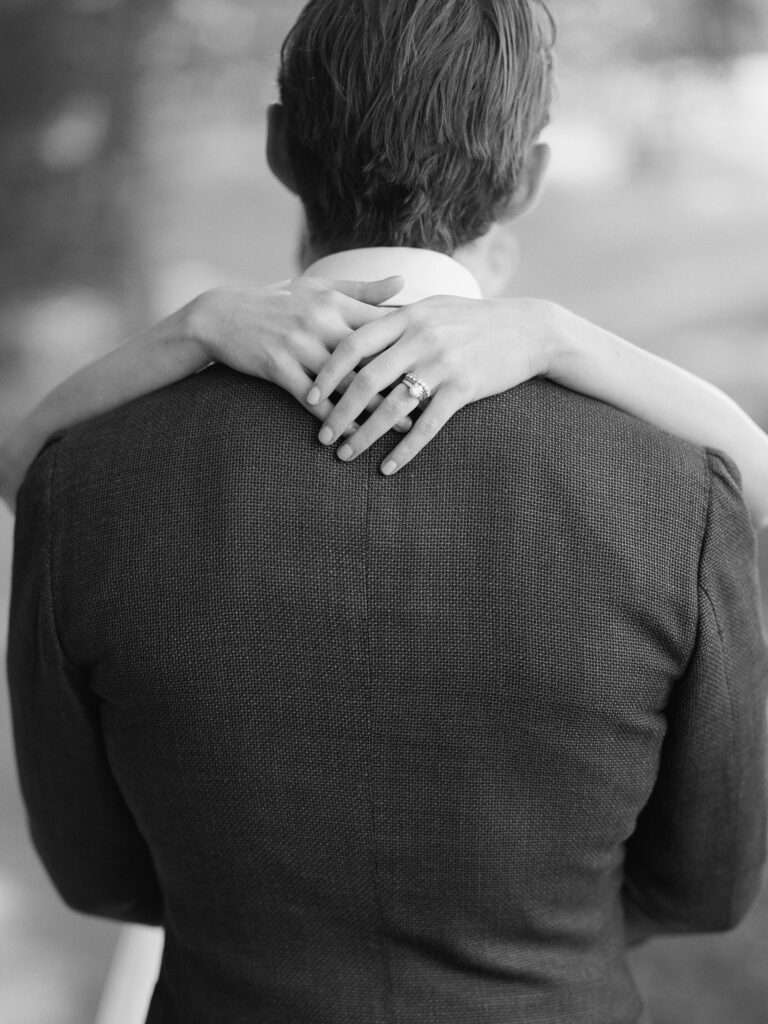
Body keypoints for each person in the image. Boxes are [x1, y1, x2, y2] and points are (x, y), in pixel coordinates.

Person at [5, 3, 767, 1023]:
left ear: (280, 147)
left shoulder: (88, 481)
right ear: (529, 177)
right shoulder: (677, 496)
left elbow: (98, 874)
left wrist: (186, 328)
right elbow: (710, 880)